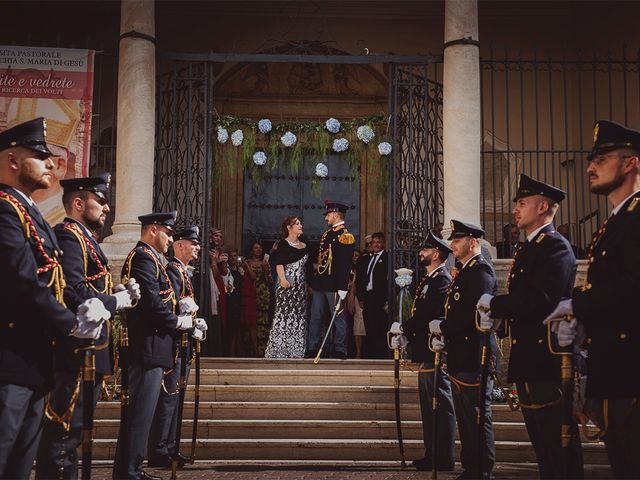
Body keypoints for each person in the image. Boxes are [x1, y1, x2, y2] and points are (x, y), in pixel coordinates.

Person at [0, 118, 107, 479]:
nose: (50, 164)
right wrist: (71, 324)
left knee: (18, 463)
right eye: (40, 156)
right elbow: (23, 281)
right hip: (10, 355)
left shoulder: (31, 212)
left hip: (35, 358)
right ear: (13, 161)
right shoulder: (4, 209)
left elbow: (52, 281)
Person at [545, 120, 640, 479]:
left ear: (630, 162)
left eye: (601, 158)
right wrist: (587, 322)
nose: (590, 167)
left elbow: (633, 287)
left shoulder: (637, 217)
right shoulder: (614, 223)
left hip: (632, 374)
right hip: (616, 373)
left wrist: (578, 304)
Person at [477, 174, 583, 479]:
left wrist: (495, 305)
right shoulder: (529, 248)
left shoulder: (555, 247)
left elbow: (539, 301)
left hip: (546, 361)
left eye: (522, 203)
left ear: (542, 207)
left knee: (557, 445)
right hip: (530, 360)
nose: (515, 209)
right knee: (543, 446)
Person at [35, 175, 140, 479]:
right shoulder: (69, 235)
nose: (107, 208)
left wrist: (117, 294)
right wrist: (114, 301)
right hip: (75, 350)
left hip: (90, 350)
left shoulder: (84, 238)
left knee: (76, 433)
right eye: (101, 201)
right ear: (79, 203)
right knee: (64, 429)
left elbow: (90, 286)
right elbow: (73, 290)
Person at [112, 211, 196, 480]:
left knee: (141, 416)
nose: (171, 239)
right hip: (148, 346)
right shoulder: (143, 258)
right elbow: (150, 302)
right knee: (138, 416)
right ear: (153, 231)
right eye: (168, 233)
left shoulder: (152, 259)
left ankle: (132, 469)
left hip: (155, 347)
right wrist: (178, 322)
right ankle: (130, 472)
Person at [430, 219, 497, 480]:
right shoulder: (466, 271)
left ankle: (481, 470)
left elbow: (471, 315)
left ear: (472, 242)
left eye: (457, 241)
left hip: (474, 355)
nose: (452, 245)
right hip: (461, 355)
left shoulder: (480, 271)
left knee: (477, 418)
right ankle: (471, 467)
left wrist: (443, 328)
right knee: (467, 420)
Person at [147, 225, 206, 469]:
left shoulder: (183, 271)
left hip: (184, 343)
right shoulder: (173, 270)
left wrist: (194, 322)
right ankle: (160, 448)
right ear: (180, 245)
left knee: (176, 397)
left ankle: (170, 446)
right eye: (193, 244)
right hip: (175, 345)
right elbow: (172, 305)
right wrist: (185, 321)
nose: (197, 248)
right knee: (169, 398)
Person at [399, 231, 456, 472]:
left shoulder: (441, 280)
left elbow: (428, 314)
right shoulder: (429, 280)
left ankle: (443, 457)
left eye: (425, 249)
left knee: (439, 405)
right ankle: (432, 453)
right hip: (424, 352)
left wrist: (404, 328)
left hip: (434, 352)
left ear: (437, 254)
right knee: (428, 407)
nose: (420, 252)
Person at [307, 201, 356, 359]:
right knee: (315, 316)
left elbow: (345, 264)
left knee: (338, 318)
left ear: (336, 214)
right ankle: (312, 347)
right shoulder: (327, 234)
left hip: (335, 285)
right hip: (321, 283)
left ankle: (340, 349)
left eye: (328, 215)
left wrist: (343, 287)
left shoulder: (346, 236)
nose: (326, 218)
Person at [264, 216, 309, 358]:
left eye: (300, 223)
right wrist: (282, 280)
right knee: (283, 316)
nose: (300, 225)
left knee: (298, 317)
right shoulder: (283, 244)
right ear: (289, 228)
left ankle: (296, 351)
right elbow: (279, 264)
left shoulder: (306, 245)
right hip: (286, 286)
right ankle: (279, 350)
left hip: (300, 287)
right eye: (297, 224)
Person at [356, 231, 389, 359]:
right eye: (374, 242)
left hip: (380, 298)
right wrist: (361, 297)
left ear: (383, 243)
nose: (376, 244)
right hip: (367, 297)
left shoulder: (387, 258)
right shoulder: (367, 258)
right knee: (368, 326)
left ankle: (380, 355)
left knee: (379, 327)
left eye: (379, 242)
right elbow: (360, 279)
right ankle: (369, 355)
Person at [245, 241, 272, 356]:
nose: (258, 250)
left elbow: (270, 280)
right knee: (250, 323)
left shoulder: (265, 263)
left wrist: (266, 270)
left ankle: (261, 351)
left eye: (260, 248)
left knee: (262, 324)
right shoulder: (247, 262)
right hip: (250, 295)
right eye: (256, 248)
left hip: (263, 296)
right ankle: (251, 350)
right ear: (252, 250)